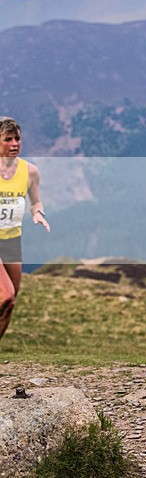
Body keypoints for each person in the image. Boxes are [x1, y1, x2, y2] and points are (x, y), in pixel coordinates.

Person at [0, 116, 50, 343]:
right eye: (7, 139)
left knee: (10, 303)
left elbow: (35, 201)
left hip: (11, 241)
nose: (14, 144)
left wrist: (37, 213)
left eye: (17, 139)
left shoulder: (30, 172)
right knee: (4, 296)